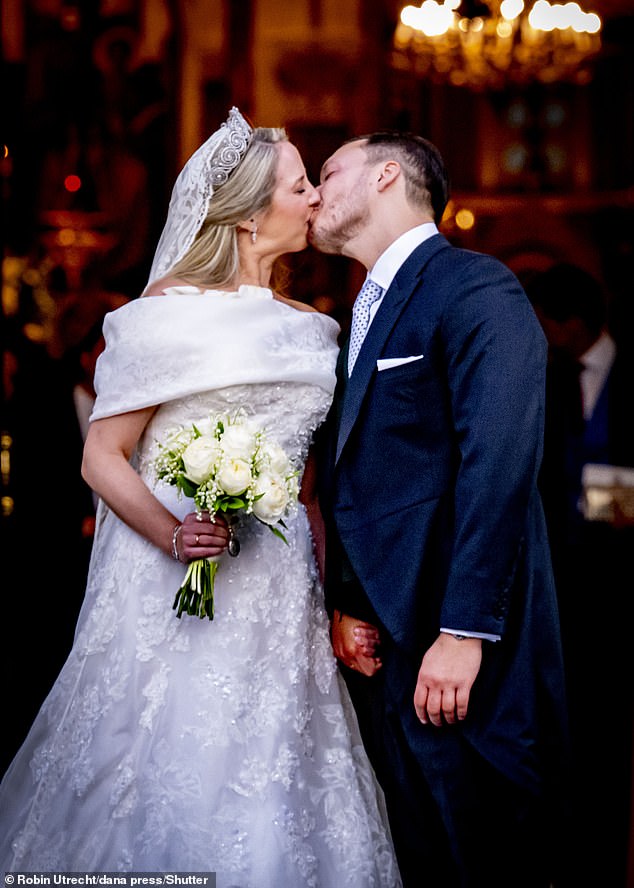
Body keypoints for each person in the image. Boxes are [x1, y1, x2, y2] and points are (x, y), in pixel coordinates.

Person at [0, 108, 402, 887]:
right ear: (252, 215)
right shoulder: (163, 319)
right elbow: (102, 456)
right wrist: (171, 533)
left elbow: (314, 480)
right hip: (176, 590)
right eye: (301, 185)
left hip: (282, 592)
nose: (318, 197)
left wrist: (335, 593)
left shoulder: (319, 330)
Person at [308, 131, 570, 888]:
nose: (317, 192)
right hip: (385, 653)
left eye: (329, 172)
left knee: (485, 859)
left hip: (462, 658)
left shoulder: (474, 285)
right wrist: (345, 603)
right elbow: (362, 473)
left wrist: (463, 630)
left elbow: (500, 459)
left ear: (387, 175)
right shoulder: (359, 308)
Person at [525, 262, 634, 888]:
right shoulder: (546, 380)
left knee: (609, 722)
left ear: (569, 323)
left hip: (619, 583)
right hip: (557, 581)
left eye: (544, 322)